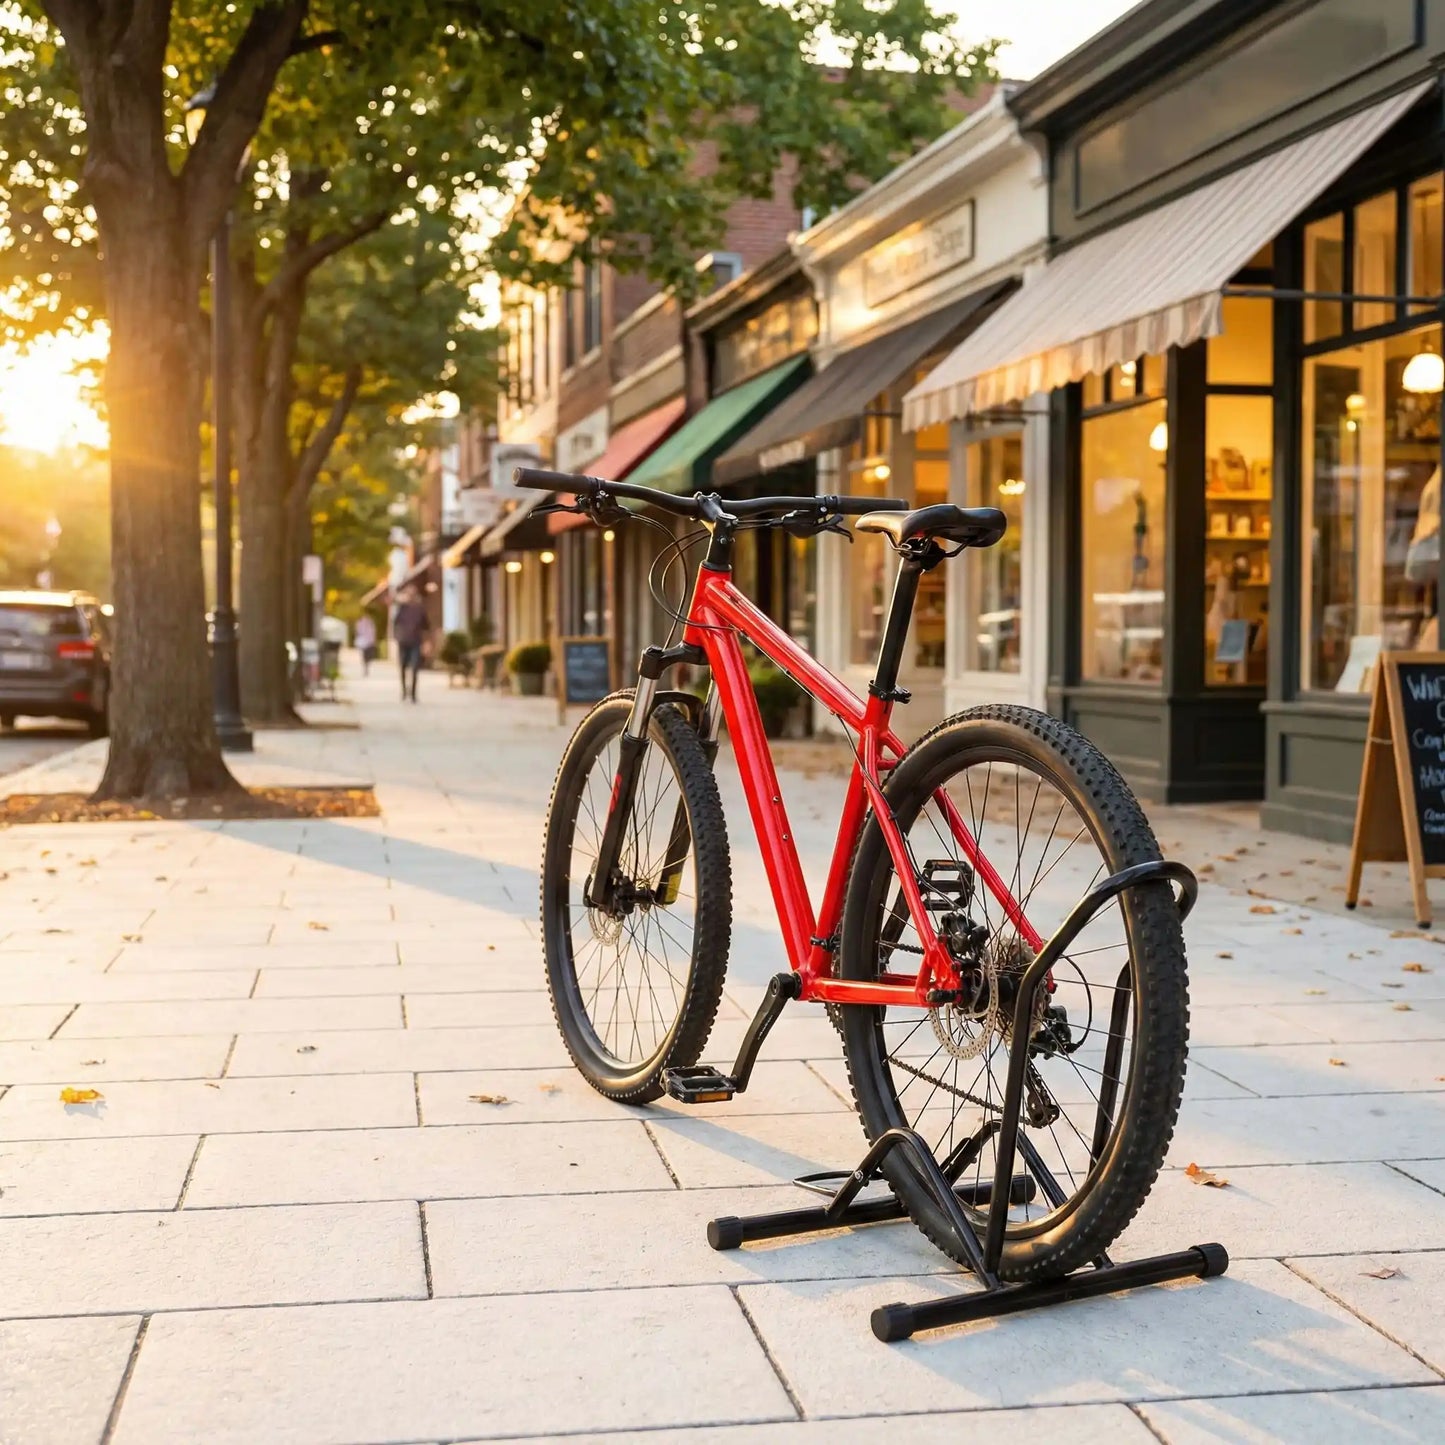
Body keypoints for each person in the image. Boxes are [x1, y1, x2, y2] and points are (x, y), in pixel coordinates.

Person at [392, 587, 427, 702]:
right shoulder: (402, 608)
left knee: (415, 667)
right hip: (403, 641)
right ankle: (403, 691)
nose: (410, 597)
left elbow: (426, 625)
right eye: (408, 594)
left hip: (416, 642)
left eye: (412, 594)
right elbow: (395, 623)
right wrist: (397, 637)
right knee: (402, 667)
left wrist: (427, 642)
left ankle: (413, 693)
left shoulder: (420, 609)